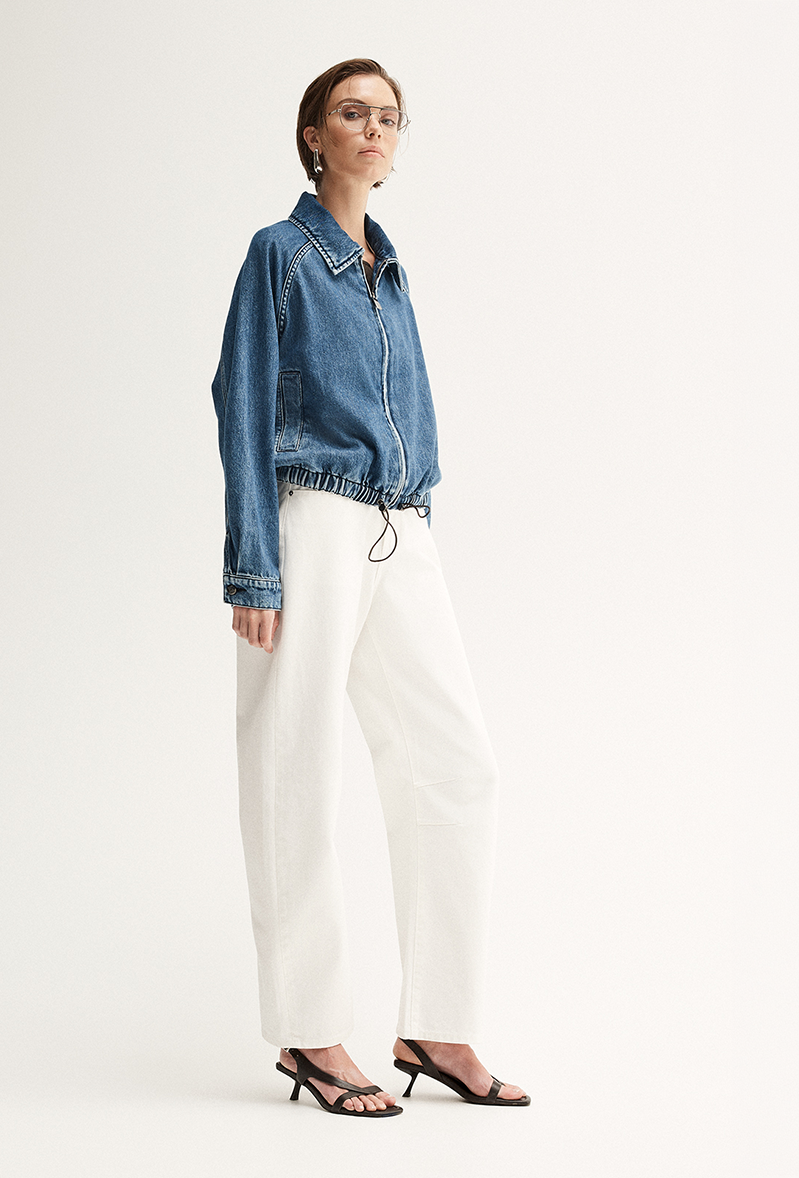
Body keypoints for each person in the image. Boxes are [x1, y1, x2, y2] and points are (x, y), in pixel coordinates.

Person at [211, 58, 528, 1117]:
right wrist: (253, 559)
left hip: (401, 524)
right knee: (293, 762)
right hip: (310, 518)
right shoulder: (281, 253)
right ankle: (309, 1032)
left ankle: (436, 1021)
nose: (373, 129)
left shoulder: (388, 269)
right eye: (352, 112)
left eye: (389, 116)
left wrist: (419, 508)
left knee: (456, 763)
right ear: (313, 133)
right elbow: (240, 399)